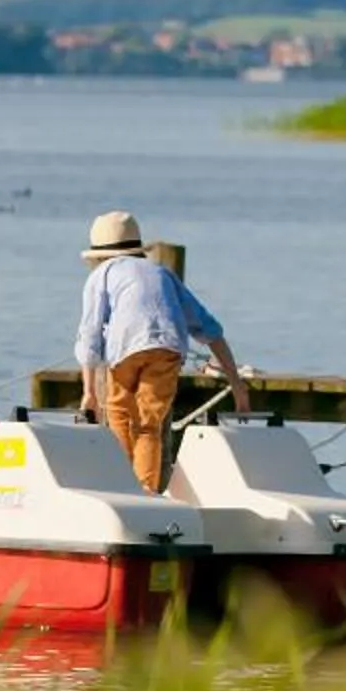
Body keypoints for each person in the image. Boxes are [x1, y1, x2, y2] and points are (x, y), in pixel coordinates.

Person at [74, 210, 250, 494]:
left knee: (118, 413)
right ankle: (146, 491)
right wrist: (236, 384)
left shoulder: (101, 275)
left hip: (125, 350)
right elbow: (211, 330)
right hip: (167, 349)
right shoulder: (162, 273)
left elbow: (90, 336)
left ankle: (121, 487)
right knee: (149, 426)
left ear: (97, 255)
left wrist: (89, 393)